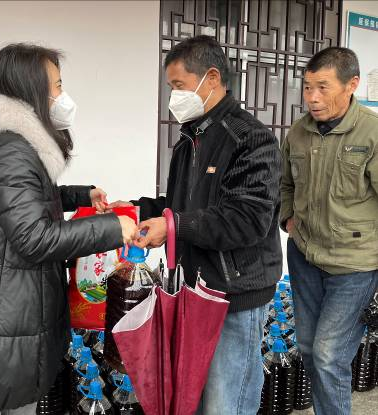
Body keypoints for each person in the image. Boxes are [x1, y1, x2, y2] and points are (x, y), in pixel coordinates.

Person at [0, 43, 137, 415]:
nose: (62, 96)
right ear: (30, 90)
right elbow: (34, 238)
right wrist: (112, 228)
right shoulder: (12, 152)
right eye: (57, 85)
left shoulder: (14, 144)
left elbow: (26, 199)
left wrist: (81, 195)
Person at [108, 35, 282, 414]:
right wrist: (137, 209)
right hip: (194, 291)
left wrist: (172, 226)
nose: (174, 96)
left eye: (179, 85)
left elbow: (247, 219)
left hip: (233, 297)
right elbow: (181, 206)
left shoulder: (251, 140)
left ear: (212, 78)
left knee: (225, 404)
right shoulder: (190, 139)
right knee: (194, 401)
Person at [280, 46, 378, 415]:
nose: (313, 97)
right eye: (307, 87)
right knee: (308, 348)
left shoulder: (372, 133)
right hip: (305, 256)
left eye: (323, 87)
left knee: (328, 354)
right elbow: (285, 184)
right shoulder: (299, 132)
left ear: (352, 84)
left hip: (354, 265)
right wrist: (288, 219)